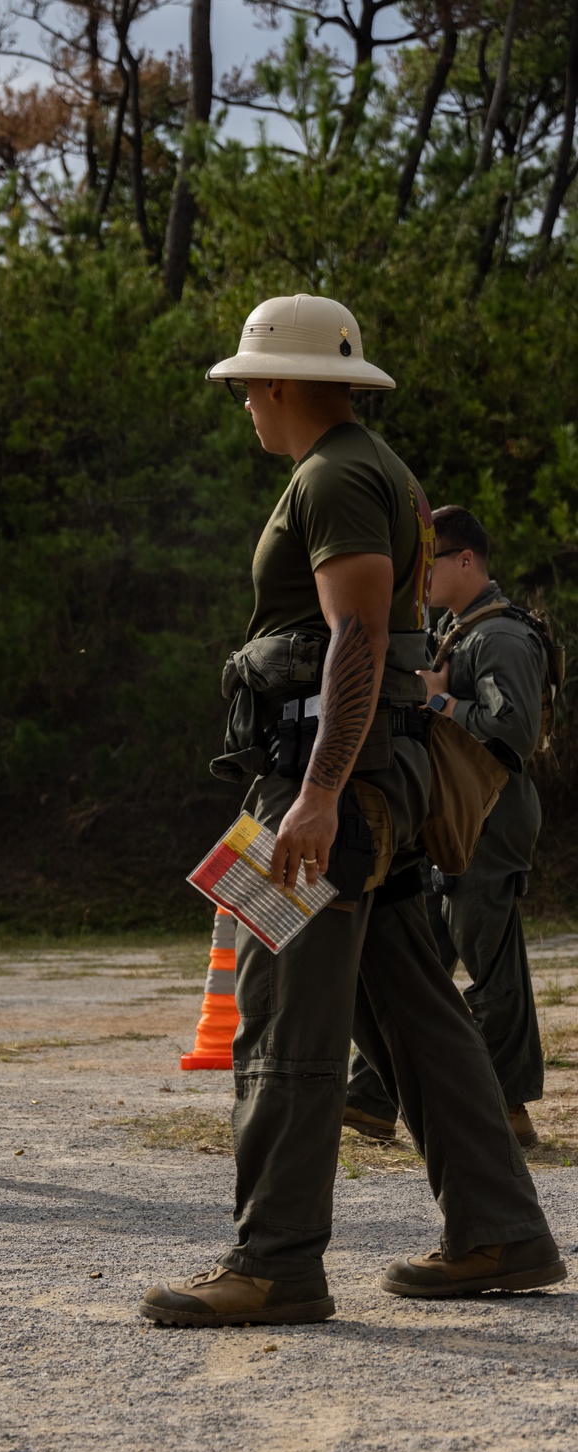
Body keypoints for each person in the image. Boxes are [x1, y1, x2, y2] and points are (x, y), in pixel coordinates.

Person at [138, 294, 566, 1328]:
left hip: (327, 785)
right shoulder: (373, 468)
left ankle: (274, 1260)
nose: (243, 402)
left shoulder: (332, 473)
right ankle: (498, 1228)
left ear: (280, 382)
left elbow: (358, 637)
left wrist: (320, 793)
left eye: (247, 384)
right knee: (415, 1015)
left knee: (280, 1010)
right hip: (371, 783)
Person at [345, 508, 547, 1147]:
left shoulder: (503, 637)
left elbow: (515, 731)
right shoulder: (457, 629)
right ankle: (371, 1099)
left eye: (431, 561)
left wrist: (436, 697)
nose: (420, 574)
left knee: (491, 966)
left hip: (489, 820)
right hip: (451, 819)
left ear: (467, 561)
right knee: (413, 960)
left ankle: (508, 1107)